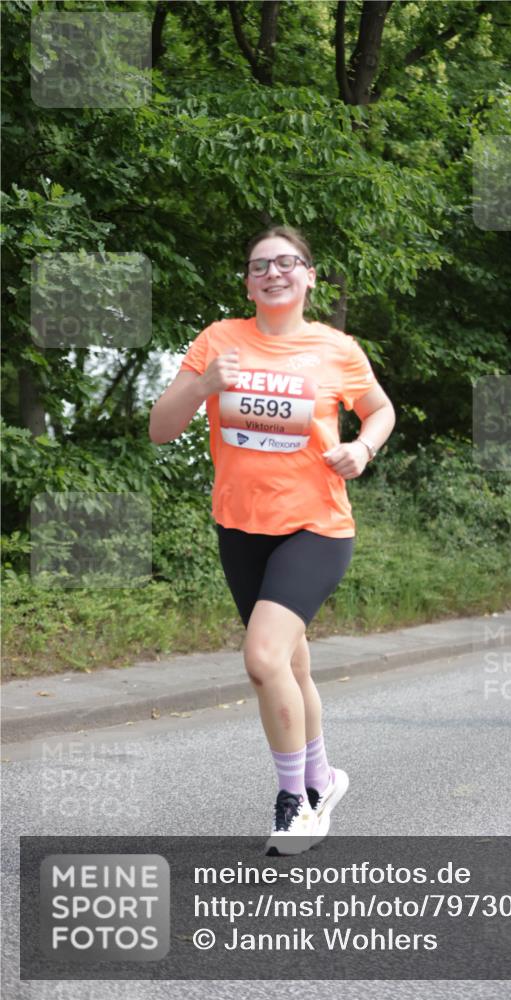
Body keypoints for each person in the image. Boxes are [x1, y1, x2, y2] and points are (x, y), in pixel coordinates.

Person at [149, 225, 395, 852]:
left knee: (263, 659)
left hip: (316, 526)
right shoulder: (218, 340)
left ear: (310, 276)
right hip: (241, 527)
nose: (274, 272)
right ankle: (324, 778)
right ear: (247, 282)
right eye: (260, 265)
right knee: (290, 664)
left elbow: (380, 409)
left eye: (288, 263)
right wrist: (204, 385)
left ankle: (296, 803)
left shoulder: (337, 349)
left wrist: (362, 448)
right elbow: (160, 428)